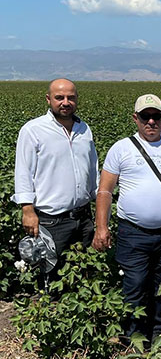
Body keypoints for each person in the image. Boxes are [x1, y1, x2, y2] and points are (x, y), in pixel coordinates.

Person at [92, 94, 161, 340]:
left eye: (155, 116)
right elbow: (105, 190)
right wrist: (101, 227)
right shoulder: (121, 148)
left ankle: (160, 336)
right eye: (145, 116)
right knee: (135, 285)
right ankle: (133, 338)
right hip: (133, 233)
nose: (151, 121)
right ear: (136, 118)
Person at [13, 78, 99, 284]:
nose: (65, 102)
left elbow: (93, 168)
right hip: (52, 220)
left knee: (84, 273)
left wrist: (99, 205)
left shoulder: (84, 129)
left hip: (83, 217)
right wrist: (27, 211)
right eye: (59, 97)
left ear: (77, 99)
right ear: (48, 99)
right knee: (51, 276)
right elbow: (23, 171)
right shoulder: (33, 130)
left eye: (71, 97)